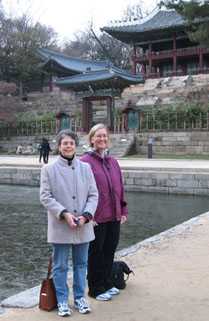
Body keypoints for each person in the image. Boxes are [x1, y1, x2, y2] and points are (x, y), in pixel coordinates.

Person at [40, 129, 98, 317]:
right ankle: (63, 300)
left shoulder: (86, 168)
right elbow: (45, 197)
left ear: (76, 145)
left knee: (82, 264)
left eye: (71, 143)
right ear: (59, 146)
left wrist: (86, 215)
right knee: (60, 266)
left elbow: (93, 194)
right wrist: (64, 213)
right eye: (64, 143)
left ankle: (80, 298)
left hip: (83, 224)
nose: (68, 146)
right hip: (60, 225)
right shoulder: (48, 169)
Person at [81, 123, 128, 301]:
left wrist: (123, 209)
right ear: (92, 139)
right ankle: (95, 288)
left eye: (104, 136)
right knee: (96, 253)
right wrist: (87, 215)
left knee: (109, 250)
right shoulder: (85, 162)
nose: (102, 139)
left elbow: (119, 188)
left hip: (114, 215)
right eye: (98, 136)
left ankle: (107, 282)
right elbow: (81, 191)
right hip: (97, 217)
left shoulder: (113, 161)